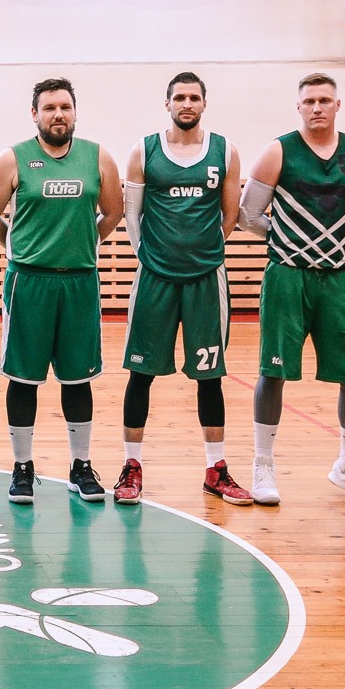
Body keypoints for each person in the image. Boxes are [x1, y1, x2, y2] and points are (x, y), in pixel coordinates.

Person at [238, 73, 345, 507]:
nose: (317, 107)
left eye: (325, 100)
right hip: (288, 275)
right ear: (298, 107)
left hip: (342, 277)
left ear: (338, 105)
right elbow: (249, 214)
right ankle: (263, 464)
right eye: (309, 101)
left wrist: (335, 243)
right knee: (273, 370)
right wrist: (290, 240)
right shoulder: (278, 151)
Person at [0, 77, 124, 504]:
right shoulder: (13, 158)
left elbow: (113, 212)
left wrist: (85, 243)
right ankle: (22, 468)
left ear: (74, 112)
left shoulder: (98, 157)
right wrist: (20, 249)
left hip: (79, 281)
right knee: (24, 378)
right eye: (49, 108)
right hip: (29, 282)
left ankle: (80, 466)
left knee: (78, 378)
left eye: (65, 107)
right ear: (35, 114)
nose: (58, 114)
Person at [115, 73, 252, 507]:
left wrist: (204, 252)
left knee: (210, 376)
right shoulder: (144, 150)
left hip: (206, 278)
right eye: (179, 97)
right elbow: (132, 215)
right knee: (141, 374)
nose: (186, 103)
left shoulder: (225, 151)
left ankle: (216, 469)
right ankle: (131, 466)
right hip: (155, 278)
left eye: (194, 97)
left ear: (204, 103)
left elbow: (230, 214)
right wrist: (147, 255)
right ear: (168, 103)